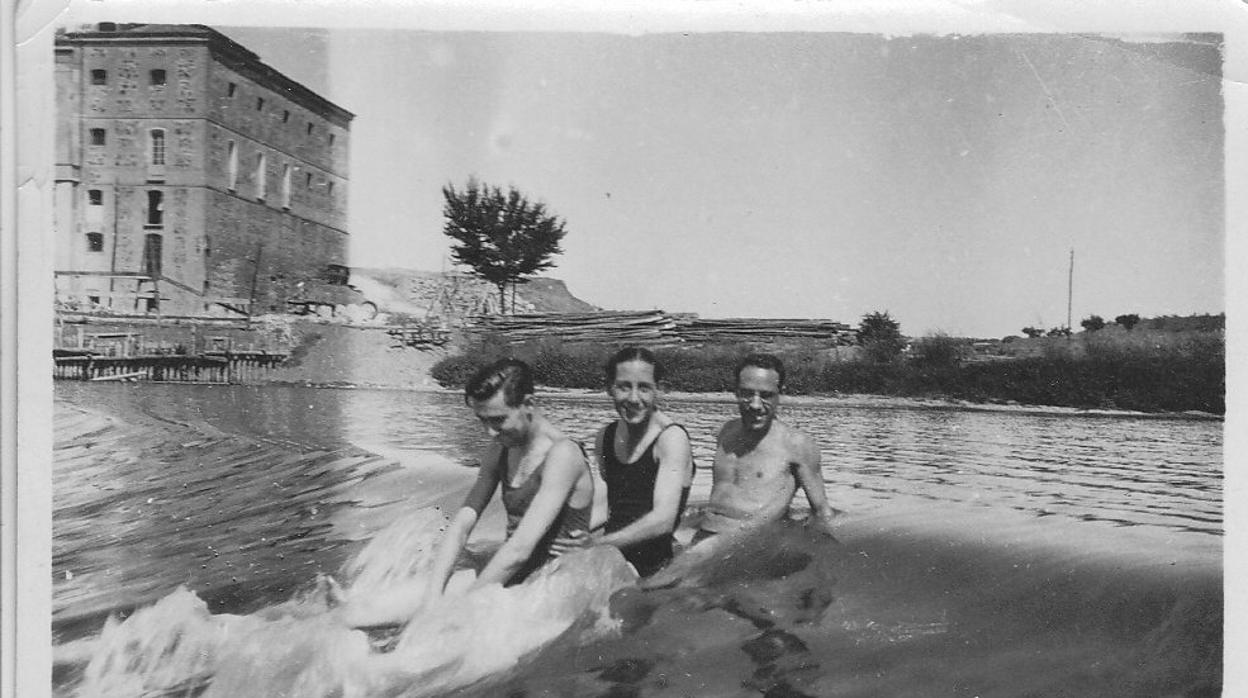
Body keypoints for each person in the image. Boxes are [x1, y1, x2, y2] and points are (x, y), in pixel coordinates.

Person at [332, 358, 595, 627]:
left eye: (498, 420)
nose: (489, 432)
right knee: (357, 614)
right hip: (510, 577)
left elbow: (520, 549)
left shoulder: (563, 454)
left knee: (425, 651)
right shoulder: (501, 447)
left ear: (528, 404)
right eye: (482, 421)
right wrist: (432, 599)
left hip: (554, 588)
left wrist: (461, 607)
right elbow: (461, 525)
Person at [555, 347, 695, 577]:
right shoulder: (605, 437)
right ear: (609, 388)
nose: (633, 398)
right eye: (624, 387)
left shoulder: (671, 439)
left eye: (644, 388)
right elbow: (608, 505)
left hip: (654, 568)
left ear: (658, 390)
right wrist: (565, 536)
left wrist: (595, 545)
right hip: (611, 558)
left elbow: (663, 520)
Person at [693, 353, 837, 544]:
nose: (755, 404)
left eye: (766, 395)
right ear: (736, 392)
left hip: (749, 544)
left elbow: (822, 511)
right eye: (746, 393)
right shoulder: (725, 432)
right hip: (706, 534)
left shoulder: (796, 444)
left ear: (780, 394)